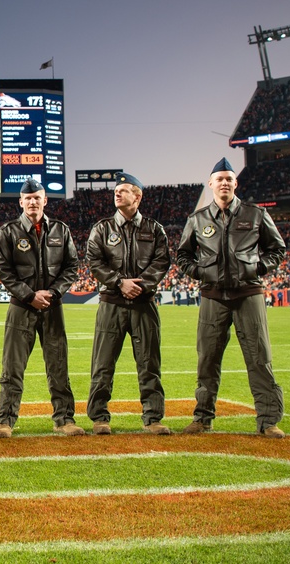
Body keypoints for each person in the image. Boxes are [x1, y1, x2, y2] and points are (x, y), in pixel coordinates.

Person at [176, 158, 287, 438]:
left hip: (249, 294)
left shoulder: (256, 214)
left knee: (259, 358)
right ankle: (202, 418)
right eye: (219, 179)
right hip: (213, 297)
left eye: (229, 179)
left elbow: (277, 248)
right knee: (207, 360)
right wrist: (200, 272)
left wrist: (258, 267)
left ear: (235, 183)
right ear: (211, 184)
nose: (224, 183)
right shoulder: (197, 219)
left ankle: (268, 421)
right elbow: (182, 255)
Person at [0, 178, 83, 437]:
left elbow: (72, 266)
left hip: (52, 307)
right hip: (21, 307)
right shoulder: (8, 231)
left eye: (37, 197)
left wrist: (53, 293)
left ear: (45, 200)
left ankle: (64, 419)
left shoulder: (61, 230)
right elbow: (4, 270)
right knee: (13, 366)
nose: (33, 202)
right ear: (21, 202)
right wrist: (29, 295)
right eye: (28, 198)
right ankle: (5, 421)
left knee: (58, 365)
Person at [86, 172, 172, 435]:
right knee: (103, 363)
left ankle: (153, 418)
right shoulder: (102, 228)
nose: (117, 193)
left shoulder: (155, 229)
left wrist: (141, 285)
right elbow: (94, 261)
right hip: (111, 303)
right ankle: (99, 417)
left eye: (123, 190)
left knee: (149, 363)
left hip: (144, 304)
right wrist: (119, 282)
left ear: (138, 196)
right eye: (116, 190)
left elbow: (162, 261)